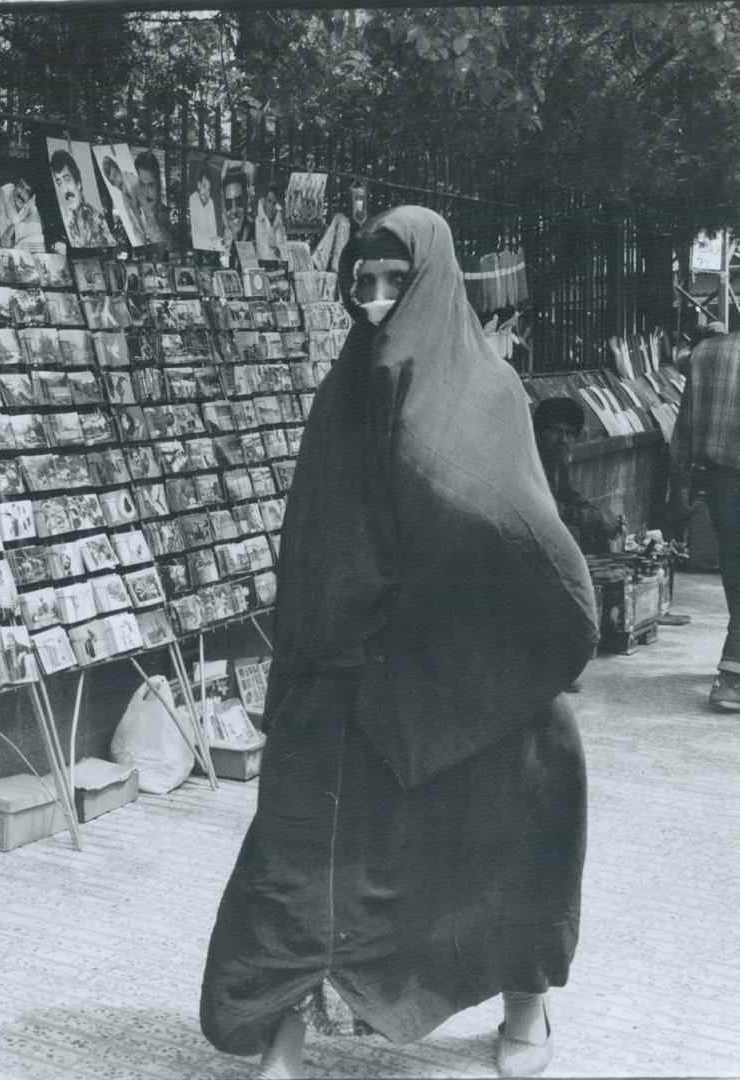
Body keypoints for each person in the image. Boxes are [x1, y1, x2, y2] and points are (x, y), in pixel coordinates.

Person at [199, 208, 596, 1080]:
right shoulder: (343, 391)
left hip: (468, 666)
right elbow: (312, 532)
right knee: (302, 848)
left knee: (520, 818)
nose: (376, 304)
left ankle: (524, 1009)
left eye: (395, 285)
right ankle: (283, 1039)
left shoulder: (486, 389)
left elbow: (514, 525)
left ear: (432, 287)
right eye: (362, 284)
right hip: (352, 659)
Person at [669, 323, 740, 709]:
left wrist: (679, 484)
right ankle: (731, 677)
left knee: (734, 564)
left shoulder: (706, 354)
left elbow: (684, 426)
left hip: (720, 481)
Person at [533, 397, 623, 555]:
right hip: (529, 530)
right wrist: (596, 518)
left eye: (569, 434)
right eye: (555, 431)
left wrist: (605, 516)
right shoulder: (530, 458)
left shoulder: (558, 457)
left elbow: (569, 496)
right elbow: (546, 511)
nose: (563, 440)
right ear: (539, 432)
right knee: (573, 532)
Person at [49, 149, 113, 249]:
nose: (65, 189)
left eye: (67, 180)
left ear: (78, 183)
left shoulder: (98, 220)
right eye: (59, 183)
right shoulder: (66, 221)